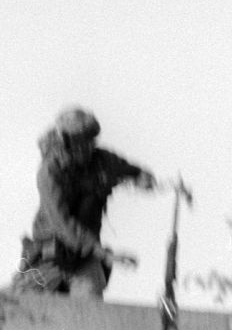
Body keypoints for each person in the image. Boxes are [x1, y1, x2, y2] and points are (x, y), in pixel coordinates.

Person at [12, 106, 158, 299]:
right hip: (47, 259)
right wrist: (102, 253)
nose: (86, 148)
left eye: (90, 141)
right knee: (12, 312)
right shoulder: (50, 171)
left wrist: (142, 179)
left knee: (89, 315)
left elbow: (136, 172)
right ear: (65, 141)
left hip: (85, 262)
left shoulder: (103, 161)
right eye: (79, 142)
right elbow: (61, 223)